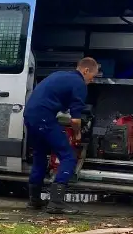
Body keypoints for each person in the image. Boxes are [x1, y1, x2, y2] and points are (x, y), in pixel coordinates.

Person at [24, 57, 98, 213]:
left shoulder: (59, 75)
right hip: (44, 118)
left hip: (30, 115)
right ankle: (56, 202)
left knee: (39, 155)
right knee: (69, 156)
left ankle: (34, 200)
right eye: (93, 76)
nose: (92, 80)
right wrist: (78, 133)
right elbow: (76, 119)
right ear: (85, 71)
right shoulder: (79, 84)